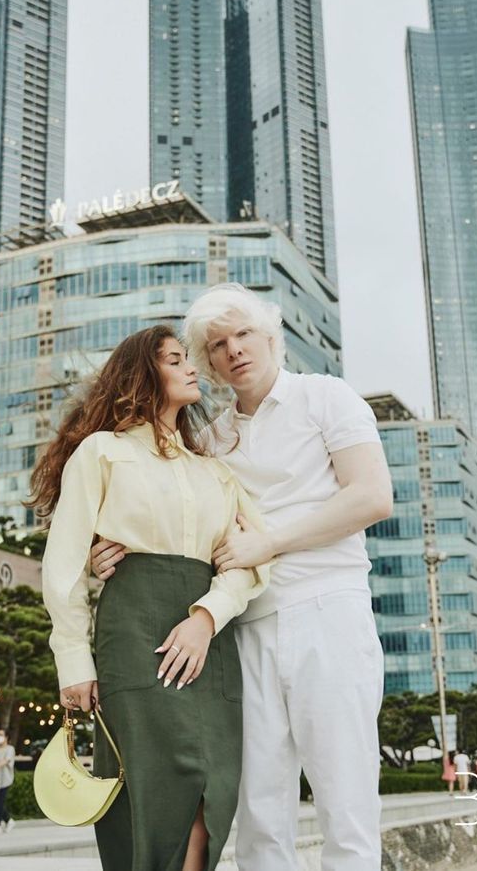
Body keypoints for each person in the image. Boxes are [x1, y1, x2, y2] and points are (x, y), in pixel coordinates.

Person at [93, 284, 393, 871]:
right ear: (208, 363)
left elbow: (373, 496)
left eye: (244, 334)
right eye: (218, 345)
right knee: (257, 811)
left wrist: (269, 542)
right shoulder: (207, 441)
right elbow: (171, 517)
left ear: (271, 335)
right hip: (243, 629)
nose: (234, 350)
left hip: (327, 609)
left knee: (345, 800)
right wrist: (108, 551)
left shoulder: (327, 398)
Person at [35, 326, 269, 871]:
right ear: (144, 374)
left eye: (189, 358)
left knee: (210, 792)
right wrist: (72, 660)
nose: (191, 368)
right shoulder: (103, 452)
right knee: (152, 796)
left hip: (208, 644)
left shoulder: (215, 471)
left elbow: (257, 557)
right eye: (173, 360)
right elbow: (63, 564)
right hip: (133, 637)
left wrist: (208, 616)